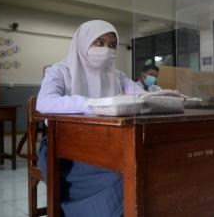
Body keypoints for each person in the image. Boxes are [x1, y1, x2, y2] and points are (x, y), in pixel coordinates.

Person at [36, 20, 145, 217]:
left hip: (110, 143)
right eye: (99, 42)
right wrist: (93, 104)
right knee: (120, 177)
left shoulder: (117, 76)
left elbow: (142, 97)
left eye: (112, 45)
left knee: (144, 170)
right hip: (63, 149)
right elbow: (44, 103)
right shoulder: (60, 71)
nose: (106, 49)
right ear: (82, 42)